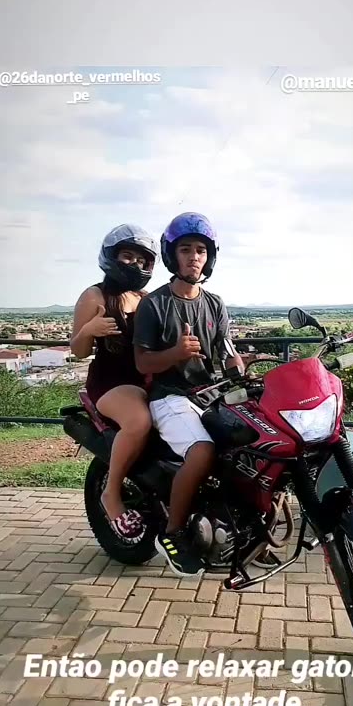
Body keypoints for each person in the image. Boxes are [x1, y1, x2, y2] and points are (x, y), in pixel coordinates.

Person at [133, 212, 276, 577]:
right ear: (172, 255)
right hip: (170, 397)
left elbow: (226, 351)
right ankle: (173, 533)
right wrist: (175, 354)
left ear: (209, 257)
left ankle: (250, 529)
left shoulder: (214, 303)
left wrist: (238, 366)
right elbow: (143, 362)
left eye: (200, 250)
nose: (194, 257)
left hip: (213, 394)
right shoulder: (155, 304)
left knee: (263, 443)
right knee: (202, 452)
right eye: (185, 249)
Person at [70, 224, 158, 543]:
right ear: (111, 257)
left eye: (142, 259)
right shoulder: (94, 295)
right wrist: (90, 329)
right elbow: (78, 350)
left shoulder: (145, 298)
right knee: (139, 421)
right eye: (127, 256)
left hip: (147, 377)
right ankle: (111, 494)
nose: (135, 264)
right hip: (111, 382)